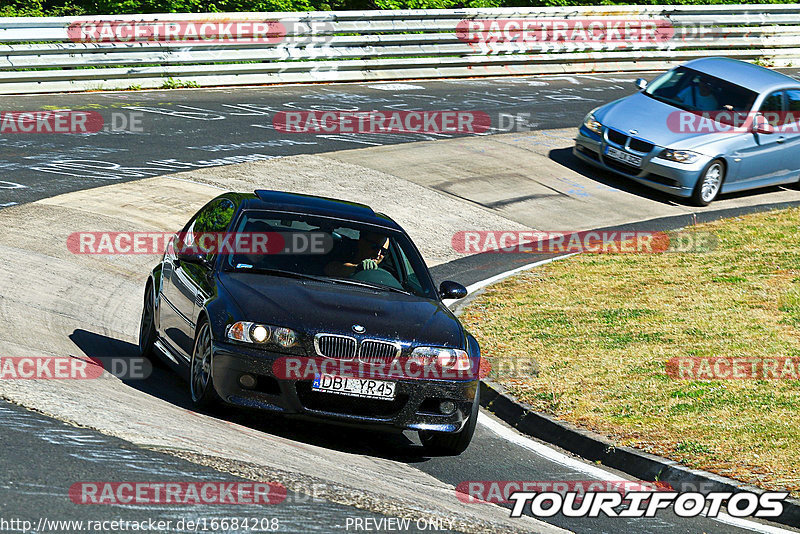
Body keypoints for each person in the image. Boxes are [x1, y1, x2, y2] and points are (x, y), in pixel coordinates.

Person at [325, 231, 390, 278]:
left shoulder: (387, 269)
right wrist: (357, 268)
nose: (378, 254)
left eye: (384, 251)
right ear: (361, 242)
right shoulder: (343, 251)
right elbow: (331, 269)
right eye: (374, 247)